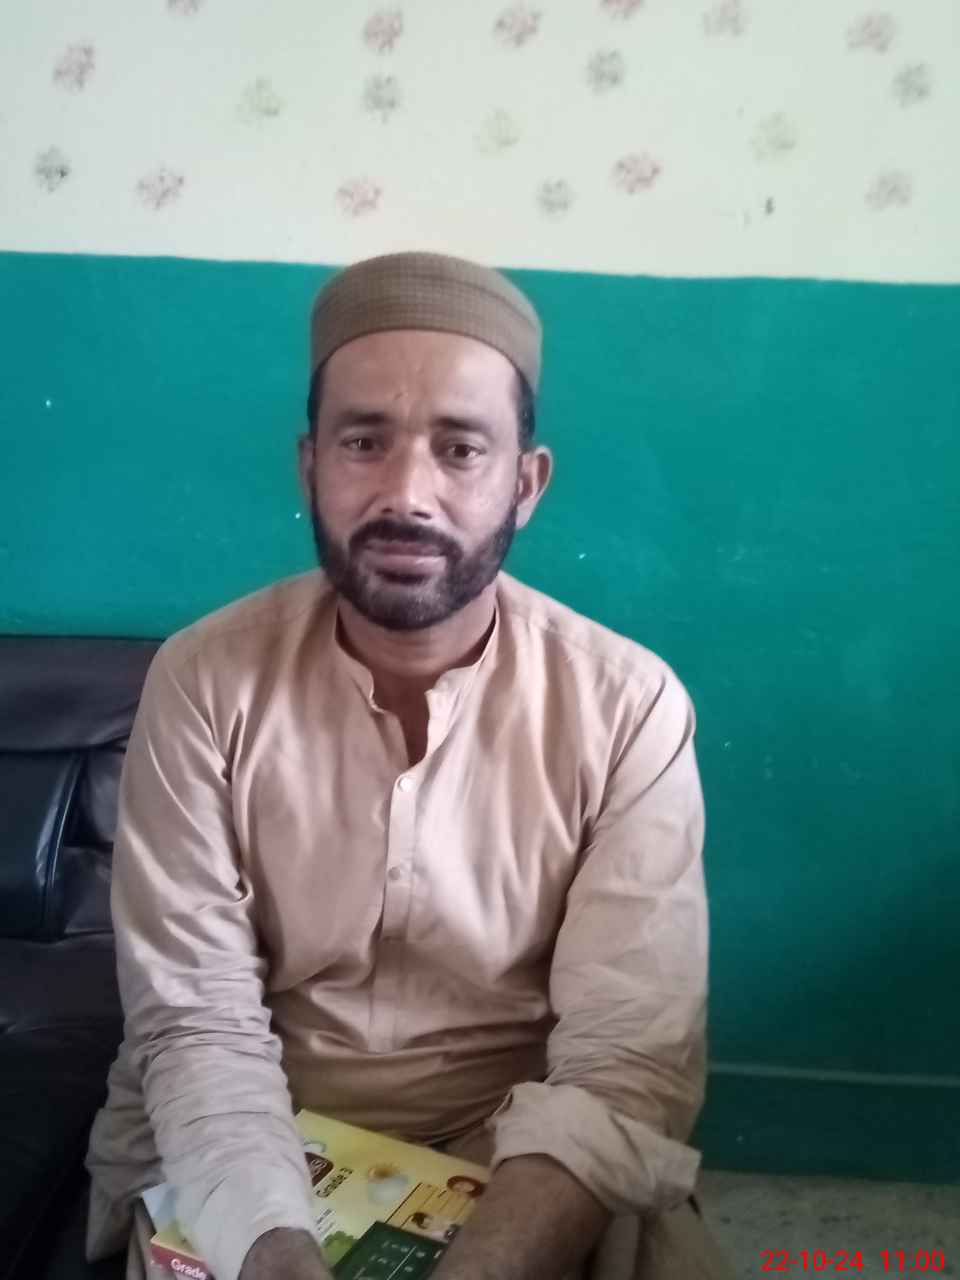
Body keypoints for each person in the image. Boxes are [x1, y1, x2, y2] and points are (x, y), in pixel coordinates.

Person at [85, 252, 730, 1280]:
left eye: (460, 448)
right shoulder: (204, 680)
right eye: (364, 442)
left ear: (526, 483)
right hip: (249, 1137)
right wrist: (275, 1251)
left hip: (525, 1141)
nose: (406, 494)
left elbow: (625, 1057)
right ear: (309, 466)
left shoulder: (627, 705)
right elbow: (198, 1024)